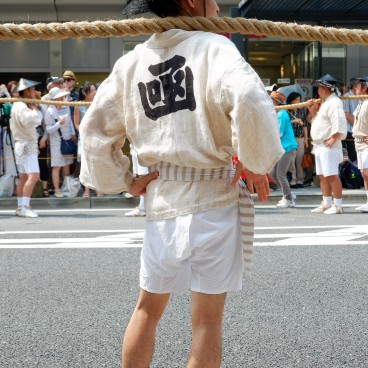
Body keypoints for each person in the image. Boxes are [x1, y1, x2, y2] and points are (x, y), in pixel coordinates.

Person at [80, 0, 283, 366]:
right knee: (206, 321)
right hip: (214, 198)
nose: (219, 6)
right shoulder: (215, 47)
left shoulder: (132, 63)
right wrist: (255, 162)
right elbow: (252, 98)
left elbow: (94, 130)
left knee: (146, 309)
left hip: (162, 198)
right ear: (191, 1)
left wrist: (124, 180)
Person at [308, 74, 347, 214]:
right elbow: (320, 122)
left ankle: (338, 205)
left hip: (329, 143)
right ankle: (326, 203)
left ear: (324, 88)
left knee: (331, 175)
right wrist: (313, 112)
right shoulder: (325, 102)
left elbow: (339, 121)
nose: (317, 90)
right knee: (323, 176)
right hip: (320, 145)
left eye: (319, 88)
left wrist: (334, 137)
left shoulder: (334, 102)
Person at [9, 78, 43, 218]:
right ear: (27, 91)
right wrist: (34, 109)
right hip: (26, 144)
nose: (35, 92)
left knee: (23, 176)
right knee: (33, 175)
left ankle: (20, 206)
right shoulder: (21, 106)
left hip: (22, 143)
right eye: (32, 89)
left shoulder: (19, 105)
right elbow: (30, 121)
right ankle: (25, 207)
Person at [45, 87, 76, 198]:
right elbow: (48, 129)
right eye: (60, 96)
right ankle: (57, 189)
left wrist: (73, 133)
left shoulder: (65, 106)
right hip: (56, 141)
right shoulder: (49, 111)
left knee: (67, 165)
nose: (62, 97)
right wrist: (58, 124)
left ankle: (66, 187)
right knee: (57, 166)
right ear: (55, 98)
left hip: (67, 139)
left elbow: (70, 122)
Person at [269, 91, 298, 208]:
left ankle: (289, 199)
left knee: (280, 174)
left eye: (271, 100)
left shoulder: (281, 114)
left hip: (287, 148)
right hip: (283, 148)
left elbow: (279, 133)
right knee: (273, 173)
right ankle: (288, 194)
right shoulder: (279, 113)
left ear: (276, 102)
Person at [73, 82, 101, 197]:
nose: (95, 92)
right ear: (85, 93)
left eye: (95, 90)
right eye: (92, 90)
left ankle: (98, 188)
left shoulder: (97, 104)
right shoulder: (78, 105)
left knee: (97, 162)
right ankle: (87, 189)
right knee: (85, 164)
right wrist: (84, 132)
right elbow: (76, 123)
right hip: (84, 138)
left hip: (96, 137)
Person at [352, 76, 368, 212]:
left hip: (366, 142)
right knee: (363, 173)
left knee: (367, 173)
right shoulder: (361, 102)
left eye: (358, 86)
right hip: (358, 141)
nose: (355, 88)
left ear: (365, 87)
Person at [286, 92, 308, 188]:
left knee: (299, 160)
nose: (298, 102)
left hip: (300, 137)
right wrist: (294, 121)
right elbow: (284, 123)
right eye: (296, 100)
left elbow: (305, 125)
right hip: (290, 138)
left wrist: (306, 138)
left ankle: (300, 180)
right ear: (291, 100)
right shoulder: (286, 110)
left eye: (299, 100)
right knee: (291, 160)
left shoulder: (301, 110)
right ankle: (293, 180)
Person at [343, 76, 363, 164]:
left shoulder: (360, 97)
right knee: (353, 155)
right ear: (355, 86)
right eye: (360, 85)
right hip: (350, 130)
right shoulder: (346, 96)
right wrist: (357, 126)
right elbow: (346, 114)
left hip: (360, 130)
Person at [125, 144, 148, 216]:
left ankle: (143, 208)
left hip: (143, 147)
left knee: (144, 176)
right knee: (140, 176)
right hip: (135, 147)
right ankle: (142, 206)